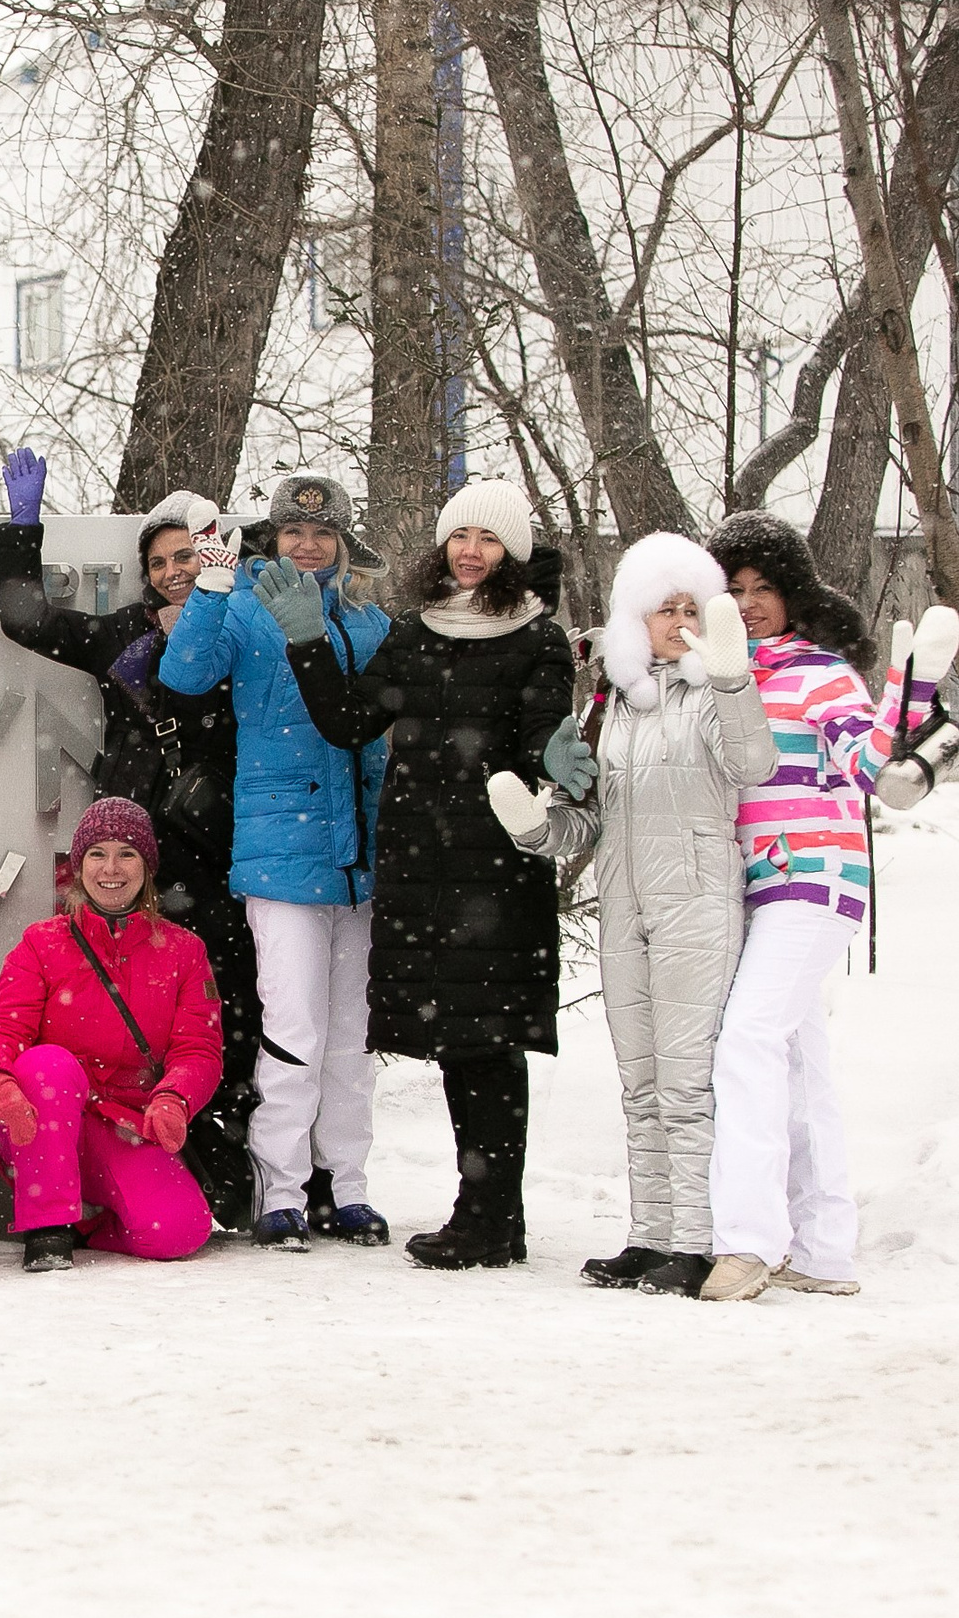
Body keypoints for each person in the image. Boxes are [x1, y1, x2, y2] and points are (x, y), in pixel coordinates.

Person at [276, 479, 575, 1268]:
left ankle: (490, 1214)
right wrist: (307, 640)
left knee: (492, 1040)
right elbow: (347, 721)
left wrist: (557, 756)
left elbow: (547, 737)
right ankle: (485, 1213)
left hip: (496, 864)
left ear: (512, 551)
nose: (470, 550)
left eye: (487, 538)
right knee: (454, 1039)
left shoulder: (539, 638)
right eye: (459, 536)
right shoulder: (417, 633)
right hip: (422, 863)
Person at [485, 533, 775, 1295]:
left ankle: (696, 1240)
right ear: (633, 620)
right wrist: (532, 821)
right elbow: (585, 825)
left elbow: (754, 765)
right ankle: (650, 1237)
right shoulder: (613, 706)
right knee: (640, 1082)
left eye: (690, 606)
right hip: (625, 904)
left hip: (696, 904)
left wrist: (734, 678)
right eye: (662, 608)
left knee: (686, 1084)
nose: (677, 620)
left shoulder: (714, 694)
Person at [0, 447, 261, 1228]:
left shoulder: (244, 627)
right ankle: (127, 1144)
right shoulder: (123, 635)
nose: (176, 571)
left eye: (189, 556)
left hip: (220, 852)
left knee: (225, 1008)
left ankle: (218, 1143)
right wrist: (22, 527)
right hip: (131, 855)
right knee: (123, 1011)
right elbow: (25, 616)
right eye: (162, 560)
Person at [697, 512, 959, 1301]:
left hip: (815, 880)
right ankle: (824, 1245)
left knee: (746, 1039)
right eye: (734, 589)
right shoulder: (720, 675)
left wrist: (909, 695)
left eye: (764, 589)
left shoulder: (821, 670)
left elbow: (873, 760)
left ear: (793, 594)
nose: (747, 604)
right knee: (799, 1062)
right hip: (752, 885)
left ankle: (747, 1240)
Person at [158, 472, 392, 1250]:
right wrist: (214, 586)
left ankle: (348, 1187)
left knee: (353, 1036)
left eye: (323, 534)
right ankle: (281, 1188)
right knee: (293, 1027)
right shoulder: (249, 607)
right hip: (280, 849)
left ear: (343, 542)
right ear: (274, 538)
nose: (308, 545)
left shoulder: (369, 620)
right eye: (294, 531)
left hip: (358, 853)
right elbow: (183, 673)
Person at [0, 799, 225, 1269]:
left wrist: (175, 1098)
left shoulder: (184, 952)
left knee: (179, 1232)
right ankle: (47, 1227)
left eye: (127, 853)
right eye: (97, 854)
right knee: (49, 1065)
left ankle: (88, 1221)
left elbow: (198, 1050)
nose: (111, 868)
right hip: (39, 1118)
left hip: (124, 1123)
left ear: (147, 866)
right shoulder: (41, 943)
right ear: (78, 864)